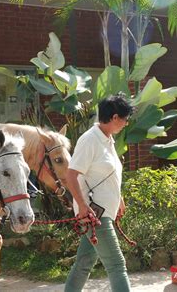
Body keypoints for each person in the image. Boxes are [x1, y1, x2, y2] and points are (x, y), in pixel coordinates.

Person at [64, 95, 133, 292]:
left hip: (103, 212)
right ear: (114, 117)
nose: (126, 124)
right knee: (117, 265)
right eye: (125, 119)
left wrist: (119, 199)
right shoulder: (90, 140)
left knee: (84, 263)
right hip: (95, 215)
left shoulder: (107, 140)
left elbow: (107, 173)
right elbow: (71, 174)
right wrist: (83, 207)